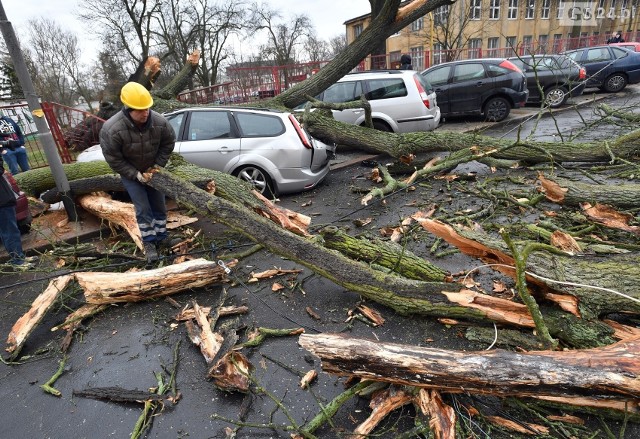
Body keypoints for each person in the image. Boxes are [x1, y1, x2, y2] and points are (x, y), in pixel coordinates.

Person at [99, 82, 176, 264]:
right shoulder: (112, 129)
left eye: (147, 109)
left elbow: (168, 143)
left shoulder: (159, 122)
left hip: (153, 171)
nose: (145, 113)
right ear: (128, 109)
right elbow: (113, 159)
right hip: (131, 174)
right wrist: (134, 174)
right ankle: (149, 242)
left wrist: (157, 165)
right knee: (143, 208)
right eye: (140, 110)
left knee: (159, 205)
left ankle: (162, 236)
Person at [0, 146, 34, 270]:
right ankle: (18, 261)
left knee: (11, 230)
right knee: (9, 231)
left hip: (4, 199)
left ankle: (19, 257)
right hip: (2, 202)